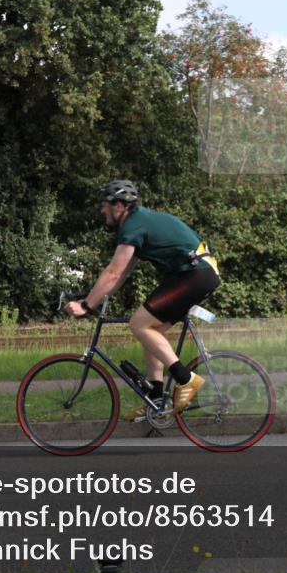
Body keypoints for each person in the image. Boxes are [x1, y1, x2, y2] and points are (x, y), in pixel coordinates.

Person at [64, 180, 220, 421]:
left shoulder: (133, 225)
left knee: (138, 323)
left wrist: (86, 306)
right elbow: (120, 275)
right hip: (195, 274)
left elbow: (113, 273)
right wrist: (91, 297)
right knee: (151, 332)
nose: (101, 210)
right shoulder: (138, 222)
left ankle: (186, 379)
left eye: (104, 205)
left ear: (118, 205)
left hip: (194, 274)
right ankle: (156, 401)